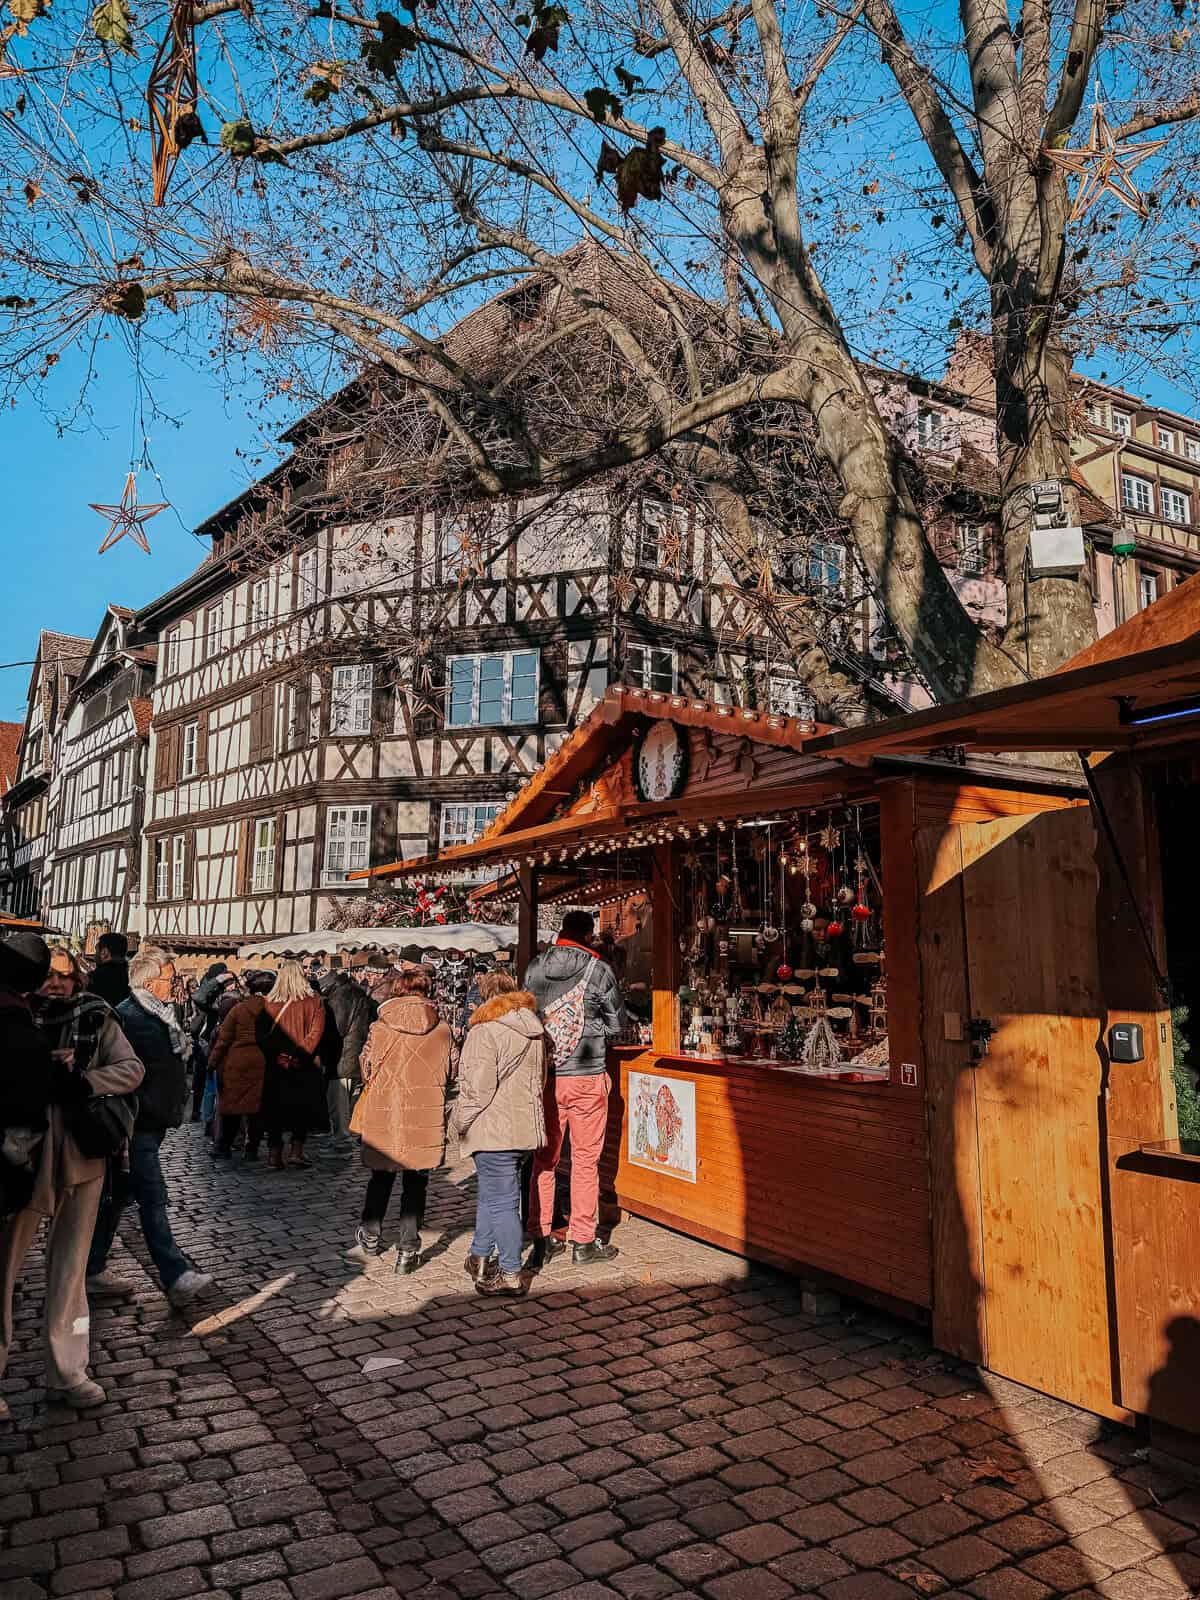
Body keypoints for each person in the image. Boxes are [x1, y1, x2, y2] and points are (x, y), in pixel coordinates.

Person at [0, 938, 143, 1411]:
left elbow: (131, 1069)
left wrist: (85, 1080)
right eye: (49, 975)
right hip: (23, 1157)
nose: (57, 983)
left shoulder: (95, 1015)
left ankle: (67, 1371)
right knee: (4, 1269)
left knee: (70, 1270)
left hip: (81, 1153)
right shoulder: (14, 1016)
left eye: (65, 974)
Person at [87, 946, 213, 1307]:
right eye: (170, 978)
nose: (175, 985)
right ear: (150, 981)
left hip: (153, 1121)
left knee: (117, 1198)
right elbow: (125, 1072)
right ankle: (175, 1275)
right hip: (136, 1125)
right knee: (153, 1197)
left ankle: (92, 1268)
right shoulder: (130, 1017)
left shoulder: (160, 1015)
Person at [525, 910, 625, 1266]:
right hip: (587, 1073)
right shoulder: (599, 969)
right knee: (585, 1160)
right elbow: (616, 1024)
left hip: (549, 1076)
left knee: (545, 1158)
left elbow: (526, 1016)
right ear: (588, 933)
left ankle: (542, 1234)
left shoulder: (535, 968)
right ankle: (583, 1240)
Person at [350, 968, 452, 1271]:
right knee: (416, 1183)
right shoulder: (443, 1029)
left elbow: (366, 1068)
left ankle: (370, 1233)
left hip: (388, 1108)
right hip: (425, 1110)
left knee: (381, 1176)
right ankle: (408, 1249)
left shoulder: (380, 1028)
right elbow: (452, 1071)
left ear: (398, 991)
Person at [454, 971, 547, 1297]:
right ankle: (480, 1255)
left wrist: (459, 1121)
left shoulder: (486, 1032)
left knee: (504, 1202)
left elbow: (475, 1089)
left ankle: (510, 1272)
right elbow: (541, 1082)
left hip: (493, 1128)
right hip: (523, 1127)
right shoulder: (534, 1030)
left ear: (485, 997)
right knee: (494, 1195)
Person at [260, 961, 327, 1169]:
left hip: (275, 1065)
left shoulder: (268, 1003)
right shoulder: (314, 1001)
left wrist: (279, 1056)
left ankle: (274, 1154)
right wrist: (298, 1055)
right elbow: (316, 1034)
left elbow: (261, 1036)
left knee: (274, 1109)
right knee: (301, 1108)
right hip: (304, 1066)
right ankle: (296, 1151)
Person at [208, 970, 276, 1160]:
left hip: (236, 1061)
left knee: (232, 1108)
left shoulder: (239, 1010)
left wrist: (212, 1063)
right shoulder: (272, 1009)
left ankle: (223, 1147)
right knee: (255, 1109)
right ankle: (251, 1149)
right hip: (260, 1060)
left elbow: (223, 1040)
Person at [318, 966, 375, 1148]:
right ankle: (341, 1134)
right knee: (343, 1100)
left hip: (343, 1056)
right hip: (353, 1052)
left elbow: (338, 1028)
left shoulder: (341, 996)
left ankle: (341, 1138)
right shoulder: (354, 990)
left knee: (339, 1100)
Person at [87, 931, 131, 1007]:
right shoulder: (131, 975)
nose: (94, 955)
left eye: (96, 950)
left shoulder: (94, 978)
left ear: (104, 953)